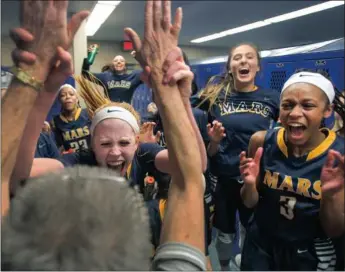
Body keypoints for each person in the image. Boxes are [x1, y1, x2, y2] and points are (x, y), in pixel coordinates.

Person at [4, 0, 208, 269]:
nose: (114, 152)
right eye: (105, 143)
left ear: (137, 142)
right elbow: (19, 175)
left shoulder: (144, 154)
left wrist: (181, 101)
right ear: (91, 144)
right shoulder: (81, 162)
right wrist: (44, 93)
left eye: (124, 142)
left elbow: (198, 166)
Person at [240, 71, 345, 270]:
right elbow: (249, 202)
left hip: (311, 251)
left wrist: (331, 196)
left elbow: (334, 229)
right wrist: (250, 185)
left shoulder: (338, 157)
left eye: (307, 105)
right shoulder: (261, 142)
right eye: (287, 105)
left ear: (328, 110)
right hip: (261, 244)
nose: (295, 113)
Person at [192, 42, 280, 270]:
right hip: (223, 176)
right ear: (230, 67)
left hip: (258, 178)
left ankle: (246, 264)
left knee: (252, 230)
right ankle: (223, 266)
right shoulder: (214, 96)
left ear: (258, 66)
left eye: (249, 57)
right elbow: (185, 109)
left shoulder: (271, 97)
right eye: (237, 58)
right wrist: (213, 141)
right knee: (224, 234)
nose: (243, 61)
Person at [51, 84, 91, 152]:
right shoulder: (56, 121)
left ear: (77, 98)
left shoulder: (88, 113)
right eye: (63, 95)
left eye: (71, 94)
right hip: (72, 160)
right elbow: (59, 146)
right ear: (59, 100)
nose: (67, 97)